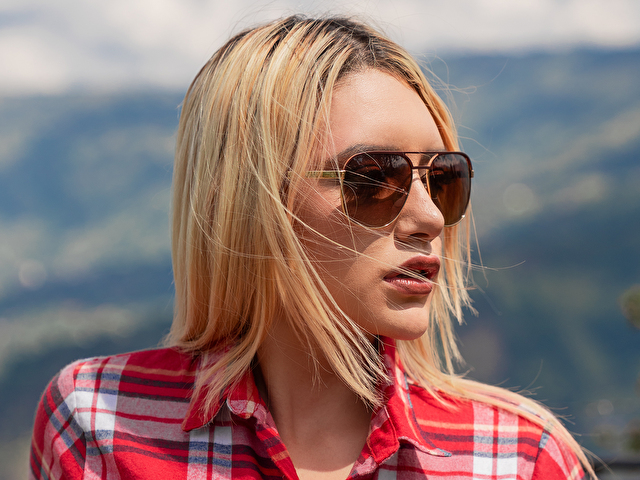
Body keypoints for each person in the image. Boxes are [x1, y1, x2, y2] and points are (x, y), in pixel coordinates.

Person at [29, 15, 595, 479]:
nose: (428, 217)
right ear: (249, 198)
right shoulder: (98, 420)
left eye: (443, 178)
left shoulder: (520, 458)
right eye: (374, 178)